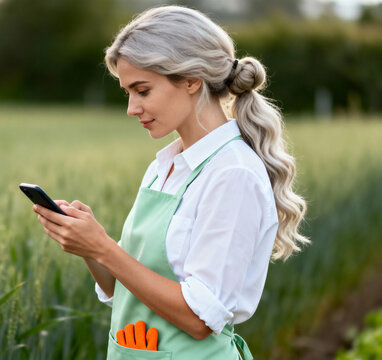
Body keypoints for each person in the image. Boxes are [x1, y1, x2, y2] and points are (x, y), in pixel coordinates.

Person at [32, 5, 308, 359]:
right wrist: (89, 245)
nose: (131, 108)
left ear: (192, 80)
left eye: (142, 90)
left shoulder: (232, 174)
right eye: (127, 92)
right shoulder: (165, 166)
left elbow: (199, 318)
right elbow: (125, 289)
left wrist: (104, 247)